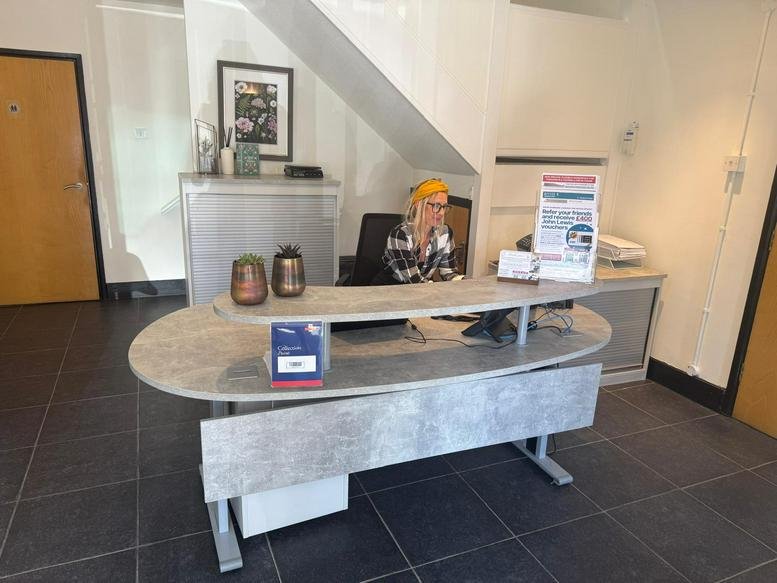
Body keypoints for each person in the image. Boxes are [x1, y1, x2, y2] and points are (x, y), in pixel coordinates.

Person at [375, 178, 465, 285]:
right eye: (436, 206)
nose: (441, 213)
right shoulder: (400, 235)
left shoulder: (445, 233)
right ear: (419, 205)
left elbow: (449, 273)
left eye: (444, 207)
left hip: (422, 290)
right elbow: (414, 281)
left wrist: (465, 282)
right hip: (389, 290)